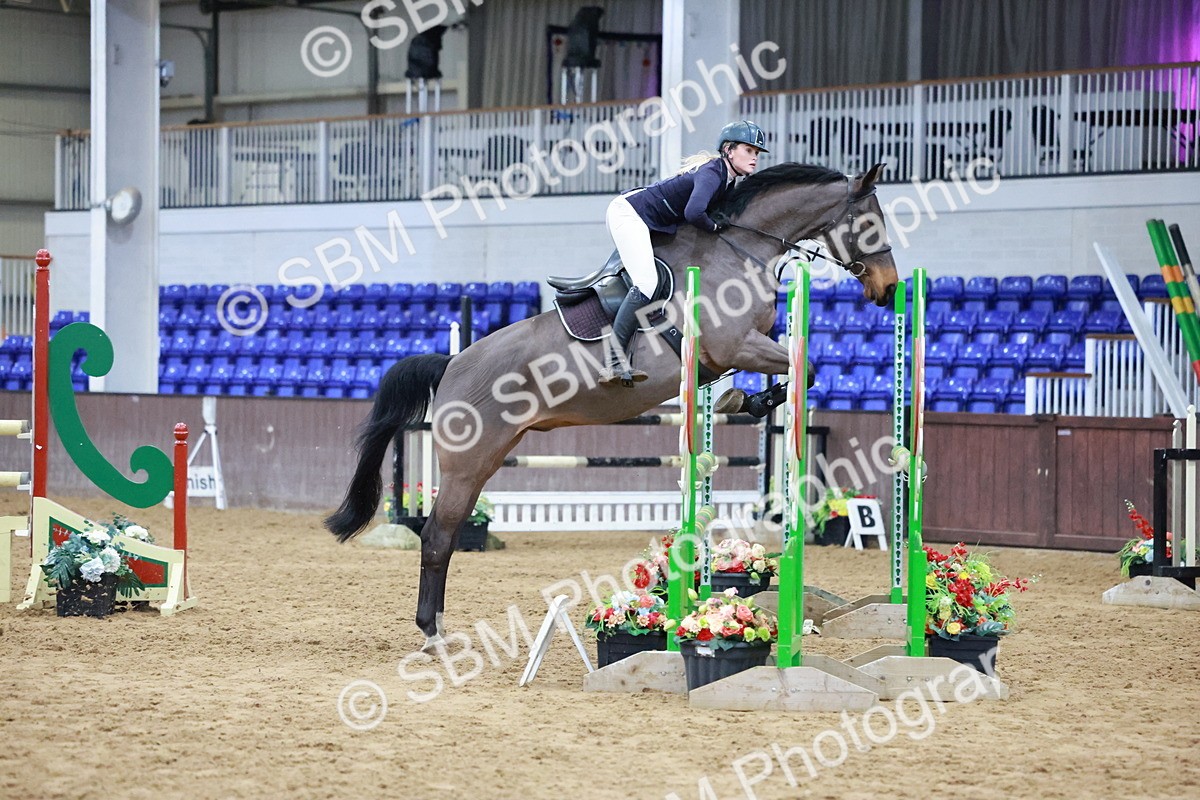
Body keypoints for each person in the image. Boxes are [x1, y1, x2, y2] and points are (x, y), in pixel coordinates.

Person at [599, 119, 768, 386]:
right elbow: (694, 213)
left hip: (647, 220)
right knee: (647, 283)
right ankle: (613, 361)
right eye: (749, 150)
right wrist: (713, 226)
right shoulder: (713, 172)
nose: (754, 157)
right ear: (729, 150)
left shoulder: (727, 181)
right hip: (628, 215)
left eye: (757, 153)